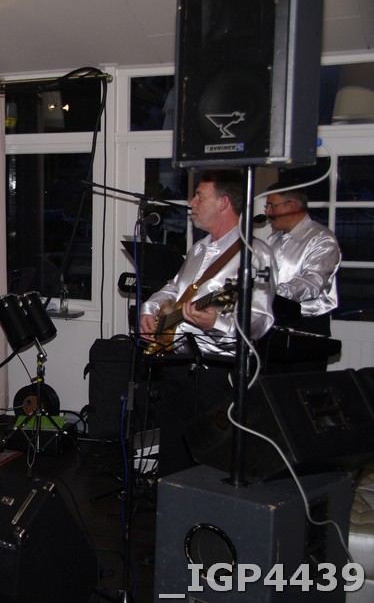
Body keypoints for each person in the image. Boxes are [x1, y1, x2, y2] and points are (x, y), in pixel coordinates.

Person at [139, 169, 276, 477]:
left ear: (224, 202)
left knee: (214, 459)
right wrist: (150, 309)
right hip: (178, 364)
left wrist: (218, 322)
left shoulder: (255, 254)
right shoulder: (199, 248)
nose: (191, 202)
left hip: (218, 373)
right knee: (173, 454)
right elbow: (175, 288)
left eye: (200, 196)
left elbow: (261, 319)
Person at [260, 185, 340, 373]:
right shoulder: (273, 240)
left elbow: (312, 283)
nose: (267, 212)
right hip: (275, 322)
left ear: (291, 206)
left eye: (271, 206)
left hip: (307, 328)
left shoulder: (322, 239)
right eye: (266, 207)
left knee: (298, 387)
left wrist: (269, 291)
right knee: (268, 386)